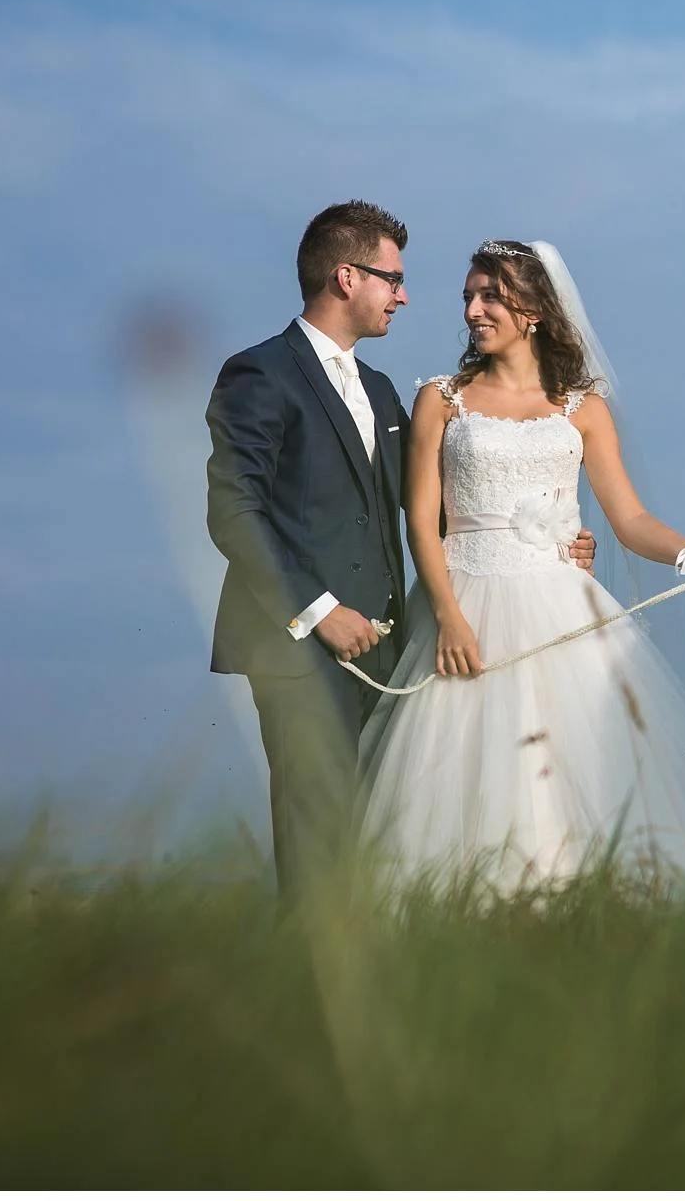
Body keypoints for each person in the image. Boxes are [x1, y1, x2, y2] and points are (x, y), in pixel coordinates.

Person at [356, 239, 685, 899]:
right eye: (469, 297)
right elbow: (419, 521)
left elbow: (629, 518)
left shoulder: (583, 407)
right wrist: (448, 618)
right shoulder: (440, 400)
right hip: (463, 608)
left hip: (562, 610)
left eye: (490, 296)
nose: (473, 310)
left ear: (532, 309)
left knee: (583, 783)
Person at [207, 204, 593, 903]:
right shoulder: (258, 375)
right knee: (318, 842)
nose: (405, 295)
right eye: (394, 279)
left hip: (388, 654)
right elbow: (233, 514)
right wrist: (317, 613)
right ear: (346, 277)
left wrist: (548, 532)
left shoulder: (383, 391)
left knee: (373, 849)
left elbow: (448, 513)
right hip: (298, 650)